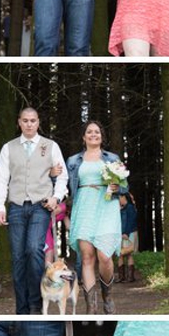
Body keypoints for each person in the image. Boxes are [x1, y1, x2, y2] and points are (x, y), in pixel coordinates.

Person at [0, 106, 67, 315]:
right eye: (25, 120)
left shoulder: (50, 146)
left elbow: (62, 176)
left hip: (40, 206)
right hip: (15, 207)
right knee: (18, 257)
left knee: (34, 250)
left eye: (33, 120)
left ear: (38, 122)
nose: (29, 124)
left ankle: (35, 303)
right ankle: (21, 308)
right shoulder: (8, 148)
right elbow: (1, 179)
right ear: (19, 122)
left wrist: (55, 197)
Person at [63, 121, 129, 313]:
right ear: (83, 137)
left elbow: (125, 185)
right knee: (87, 257)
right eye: (89, 132)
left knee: (105, 256)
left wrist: (118, 187)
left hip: (107, 206)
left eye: (97, 132)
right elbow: (64, 184)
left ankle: (107, 296)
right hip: (84, 207)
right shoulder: (73, 160)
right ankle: (91, 307)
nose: (93, 135)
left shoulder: (112, 158)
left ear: (102, 136)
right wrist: (53, 175)